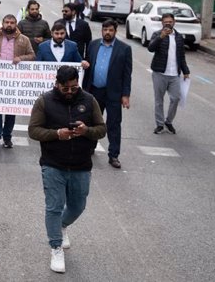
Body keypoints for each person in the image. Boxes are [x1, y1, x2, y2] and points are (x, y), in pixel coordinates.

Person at [28, 65, 106, 274]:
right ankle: (55, 246)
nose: (70, 92)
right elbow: (33, 131)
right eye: (65, 88)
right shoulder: (44, 101)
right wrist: (57, 134)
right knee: (54, 206)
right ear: (57, 84)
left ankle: (61, 226)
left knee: (78, 206)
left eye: (74, 87)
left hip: (81, 164)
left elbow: (102, 129)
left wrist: (86, 130)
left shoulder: (89, 100)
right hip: (53, 163)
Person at [82, 19, 132, 169]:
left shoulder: (124, 49)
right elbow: (88, 64)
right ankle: (90, 147)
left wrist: (125, 95)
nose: (107, 33)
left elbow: (127, 74)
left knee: (114, 124)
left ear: (115, 31)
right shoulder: (93, 45)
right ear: (102, 31)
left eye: (110, 30)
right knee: (92, 121)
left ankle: (114, 155)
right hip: (94, 90)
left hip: (113, 93)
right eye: (105, 30)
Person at [0, 15, 35, 149]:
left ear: (16, 24)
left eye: (12, 23)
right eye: (7, 22)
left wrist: (21, 58)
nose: (9, 25)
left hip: (14, 81)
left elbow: (32, 55)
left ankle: (7, 137)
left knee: (11, 110)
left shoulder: (24, 40)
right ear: (3, 23)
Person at [148, 13, 190, 134]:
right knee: (159, 100)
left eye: (170, 21)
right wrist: (160, 37)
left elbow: (181, 56)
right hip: (159, 73)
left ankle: (169, 121)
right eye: (165, 21)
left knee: (176, 98)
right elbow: (150, 48)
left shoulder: (178, 37)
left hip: (174, 74)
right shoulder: (157, 34)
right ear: (162, 23)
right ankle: (160, 124)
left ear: (174, 22)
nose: (168, 23)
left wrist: (185, 71)